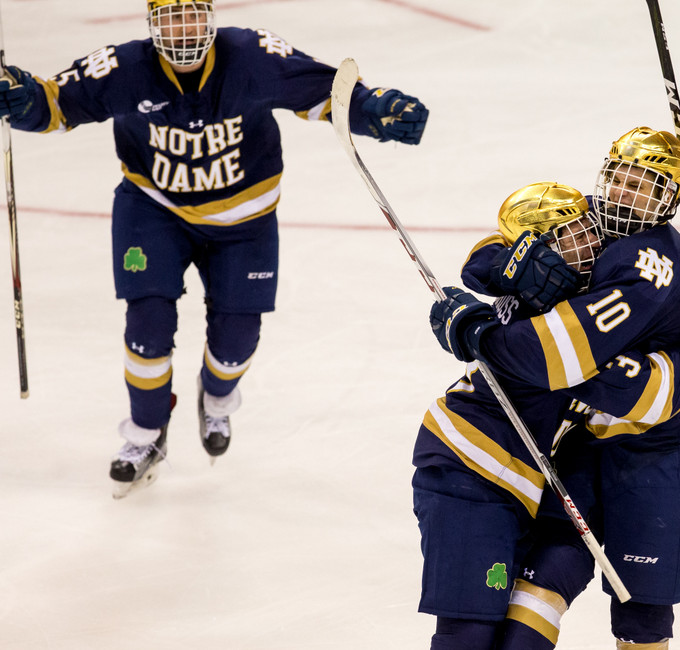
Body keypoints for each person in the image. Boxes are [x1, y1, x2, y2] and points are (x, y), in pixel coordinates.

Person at [0, 0, 429, 498]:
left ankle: (218, 398)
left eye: (192, 16)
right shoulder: (124, 68)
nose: (183, 31)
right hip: (153, 211)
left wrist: (377, 110)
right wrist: (21, 99)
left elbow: (324, 92)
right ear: (151, 24)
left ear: (210, 17)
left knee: (236, 340)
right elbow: (55, 103)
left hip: (245, 222)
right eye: (170, 18)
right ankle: (145, 432)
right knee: (147, 325)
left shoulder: (251, 56)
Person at [432, 126, 680, 648]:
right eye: (620, 178)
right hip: (578, 443)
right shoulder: (595, 217)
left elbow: (633, 391)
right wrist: (513, 273)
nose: (624, 194)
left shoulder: (649, 267)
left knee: (642, 614)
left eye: (643, 186)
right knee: (545, 573)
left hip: (656, 449)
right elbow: (497, 245)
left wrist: (479, 331)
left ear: (667, 199)